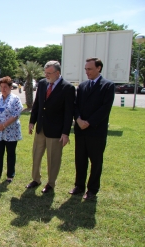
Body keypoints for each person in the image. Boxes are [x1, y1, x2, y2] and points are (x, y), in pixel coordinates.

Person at [26, 61, 76, 193]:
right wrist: (32, 121)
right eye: (45, 73)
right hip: (41, 128)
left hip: (56, 131)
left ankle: (50, 183)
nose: (46, 75)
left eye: (49, 73)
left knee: (53, 159)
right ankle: (36, 179)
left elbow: (68, 113)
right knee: (36, 155)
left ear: (57, 73)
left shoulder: (68, 88)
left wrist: (65, 133)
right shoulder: (42, 84)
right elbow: (37, 104)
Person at [70, 58, 115, 200]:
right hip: (80, 130)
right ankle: (79, 185)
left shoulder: (108, 86)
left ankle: (92, 190)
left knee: (96, 162)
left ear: (99, 68)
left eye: (89, 69)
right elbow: (75, 105)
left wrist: (89, 122)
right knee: (80, 159)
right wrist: (78, 119)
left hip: (96, 131)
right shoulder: (82, 86)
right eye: (85, 69)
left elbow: (105, 109)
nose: (87, 72)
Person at [0, 76, 23, 184]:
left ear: (10, 87)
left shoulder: (15, 99)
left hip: (11, 132)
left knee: (10, 153)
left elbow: (16, 114)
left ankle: (10, 175)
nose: (3, 89)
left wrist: (4, 125)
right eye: (1, 86)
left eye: (5, 87)